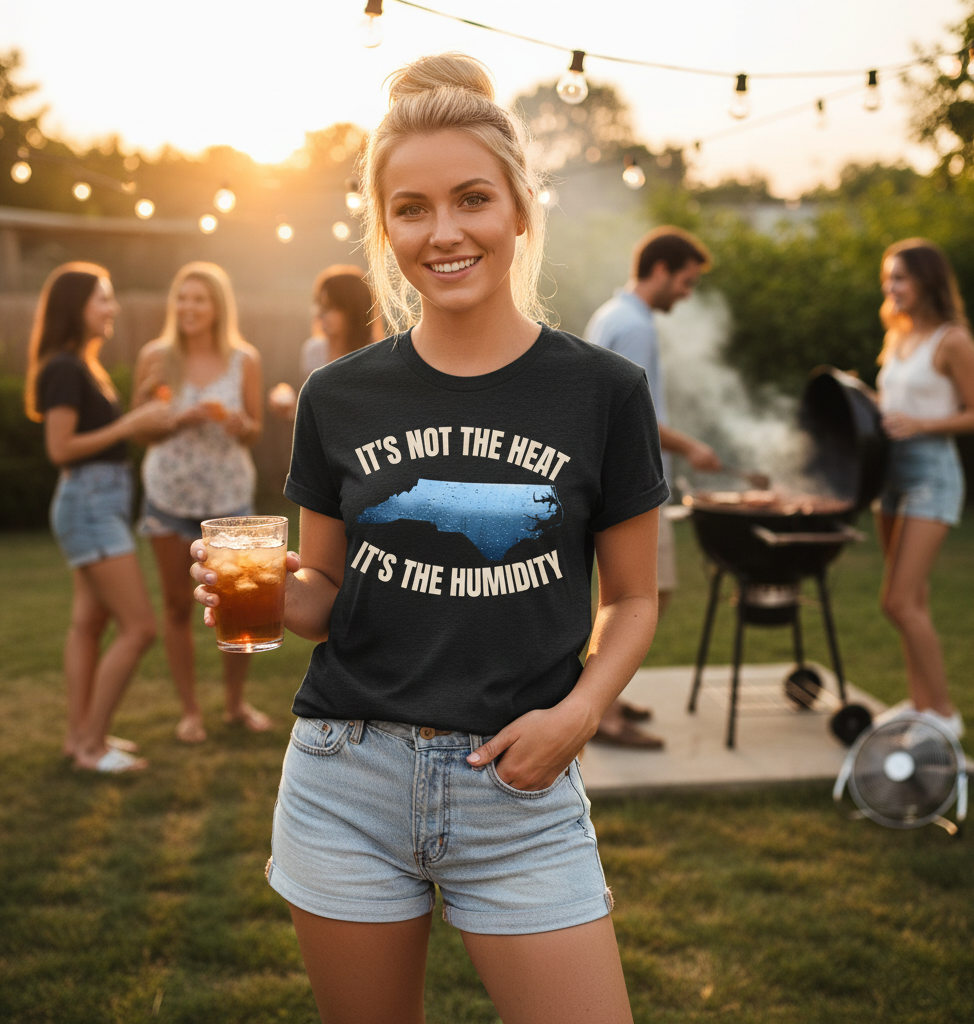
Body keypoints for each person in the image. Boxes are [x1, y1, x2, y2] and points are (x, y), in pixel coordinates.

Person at [191, 53, 665, 1024]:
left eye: (472, 199)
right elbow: (323, 597)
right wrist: (271, 590)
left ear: (520, 209)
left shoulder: (603, 392)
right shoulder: (337, 395)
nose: (443, 232)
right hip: (345, 777)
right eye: (410, 209)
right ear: (385, 228)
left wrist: (579, 714)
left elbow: (633, 596)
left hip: (519, 787)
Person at [24, 262, 171, 772]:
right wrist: (131, 423)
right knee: (140, 628)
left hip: (95, 502)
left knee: (88, 624)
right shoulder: (65, 368)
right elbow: (61, 448)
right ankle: (91, 747)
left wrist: (139, 408)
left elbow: (101, 435)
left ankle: (80, 738)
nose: (113, 308)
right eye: (103, 299)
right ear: (76, 307)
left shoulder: (83, 366)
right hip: (89, 505)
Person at [585, 226, 723, 748]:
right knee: (638, 600)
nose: (686, 294)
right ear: (661, 270)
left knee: (621, 597)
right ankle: (600, 712)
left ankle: (607, 701)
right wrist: (691, 447)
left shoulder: (610, 315)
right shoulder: (635, 326)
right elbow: (636, 419)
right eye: (686, 282)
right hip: (631, 485)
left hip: (611, 480)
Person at [133, 262, 271, 743]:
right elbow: (140, 427)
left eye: (199, 299)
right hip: (168, 498)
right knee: (177, 606)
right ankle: (190, 711)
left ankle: (234, 704)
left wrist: (239, 424)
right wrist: (177, 420)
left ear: (217, 307)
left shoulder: (244, 359)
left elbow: (254, 430)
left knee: (238, 606)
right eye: (182, 297)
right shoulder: (156, 357)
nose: (188, 307)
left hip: (228, 501)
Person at [874, 238, 974, 739]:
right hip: (890, 477)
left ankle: (944, 716)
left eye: (900, 278)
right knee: (912, 601)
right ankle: (920, 705)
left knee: (897, 602)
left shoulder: (952, 340)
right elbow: (891, 408)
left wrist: (920, 424)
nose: (890, 287)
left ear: (927, 281)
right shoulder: (898, 335)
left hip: (931, 475)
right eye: (887, 278)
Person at [267, 265, 379, 420]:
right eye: (320, 304)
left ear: (354, 311)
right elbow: (314, 412)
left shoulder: (376, 357)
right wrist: (291, 409)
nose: (320, 313)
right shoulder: (313, 351)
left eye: (330, 307)